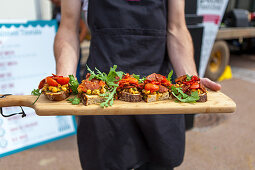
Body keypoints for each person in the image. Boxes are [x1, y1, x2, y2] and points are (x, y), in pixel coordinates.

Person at [54, 0, 221, 169]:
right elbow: (68, 28)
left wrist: (190, 82)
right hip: (101, 95)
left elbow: (177, 28)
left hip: (157, 92)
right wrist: (62, 82)